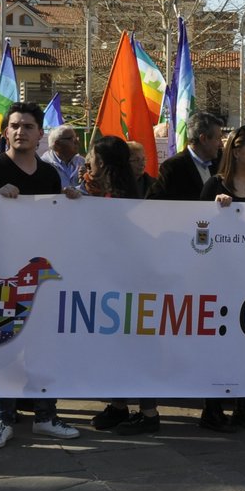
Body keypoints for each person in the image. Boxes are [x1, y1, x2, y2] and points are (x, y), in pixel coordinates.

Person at [0, 102, 82, 446]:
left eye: (28, 126)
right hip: (2, 276)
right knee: (7, 346)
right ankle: (2, 420)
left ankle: (46, 416)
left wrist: (73, 203)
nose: (21, 132)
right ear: (6, 133)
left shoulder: (49, 176)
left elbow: (54, 223)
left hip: (40, 275)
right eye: (15, 126)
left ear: (39, 135)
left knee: (43, 346)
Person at [79, 136, 166, 437]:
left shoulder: (122, 199)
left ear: (100, 162)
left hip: (128, 283)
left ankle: (148, 412)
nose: (87, 161)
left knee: (135, 346)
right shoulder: (105, 193)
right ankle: (119, 405)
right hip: (108, 282)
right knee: (114, 346)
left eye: (90, 156)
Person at [201, 125, 245, 432]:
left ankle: (244, 407)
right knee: (218, 344)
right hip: (219, 276)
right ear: (237, 151)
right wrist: (217, 211)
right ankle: (212, 408)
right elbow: (198, 227)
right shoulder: (215, 184)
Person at [149, 111, 224, 201]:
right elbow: (155, 202)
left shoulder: (220, 162)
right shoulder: (172, 167)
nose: (221, 144)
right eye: (218, 138)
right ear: (203, 139)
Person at [43, 125, 85, 189]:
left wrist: (87, 178)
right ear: (57, 144)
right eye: (72, 139)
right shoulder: (43, 165)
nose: (77, 142)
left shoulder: (83, 162)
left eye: (76, 138)